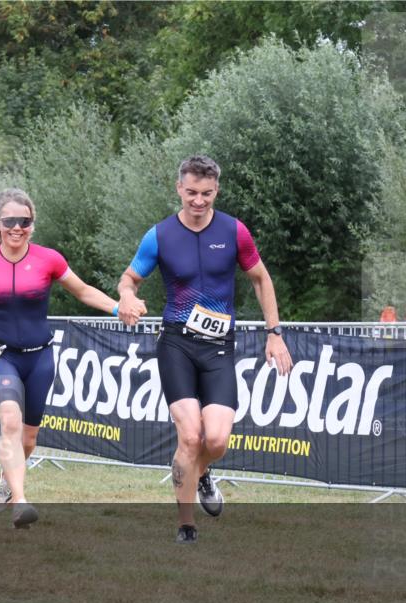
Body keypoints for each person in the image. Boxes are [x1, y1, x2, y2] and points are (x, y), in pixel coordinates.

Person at [116, 155, 293, 544]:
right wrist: (127, 298)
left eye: (207, 194)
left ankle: (203, 473)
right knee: (190, 437)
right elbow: (128, 279)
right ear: (179, 188)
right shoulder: (159, 236)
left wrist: (274, 332)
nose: (199, 201)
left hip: (218, 349)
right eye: (192, 193)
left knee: (215, 441)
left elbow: (261, 280)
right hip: (176, 343)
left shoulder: (234, 231)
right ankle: (186, 525)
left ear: (217, 191)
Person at [0, 188, 120, 528]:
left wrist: (116, 306)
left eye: (24, 221)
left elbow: (82, 291)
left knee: (29, 438)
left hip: (39, 358)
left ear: (32, 225)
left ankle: (8, 482)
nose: (17, 227)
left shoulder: (49, 259)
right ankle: (21, 502)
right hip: (0, 356)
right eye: (10, 221)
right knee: (9, 421)